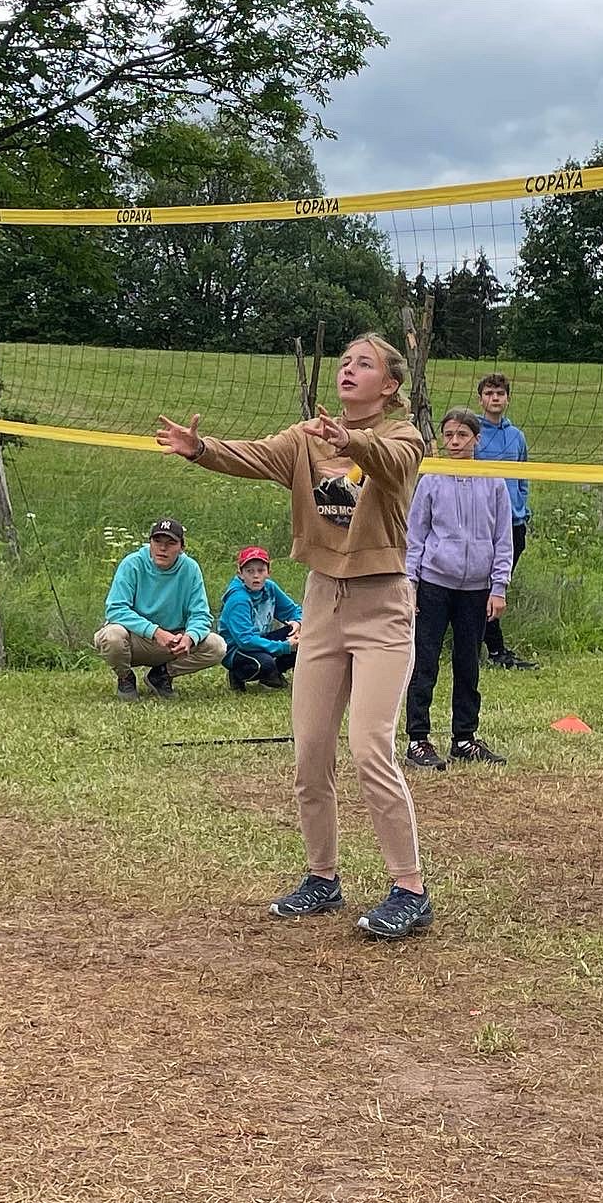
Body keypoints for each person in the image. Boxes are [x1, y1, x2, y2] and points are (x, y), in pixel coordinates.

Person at [157, 335, 431, 941]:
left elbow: (391, 465)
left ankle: (410, 889)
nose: (348, 369)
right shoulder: (306, 439)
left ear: (389, 384)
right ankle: (322, 878)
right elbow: (253, 455)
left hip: (383, 605)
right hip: (322, 603)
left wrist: (351, 441)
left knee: (370, 748)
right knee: (310, 751)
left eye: (364, 364)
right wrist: (200, 448)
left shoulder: (404, 435)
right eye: (345, 362)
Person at [403, 407, 512, 771]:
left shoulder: (493, 481)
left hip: (476, 589)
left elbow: (503, 539)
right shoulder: (432, 478)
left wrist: (498, 586)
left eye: (462, 435)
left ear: (476, 439)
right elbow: (416, 535)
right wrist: (411, 583)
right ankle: (418, 739)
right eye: (448, 435)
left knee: (468, 664)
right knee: (425, 662)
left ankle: (464, 738)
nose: (454, 442)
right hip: (434, 584)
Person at [93, 517, 225, 701]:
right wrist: (155, 632)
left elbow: (201, 614)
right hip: (135, 638)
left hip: (173, 641)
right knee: (111, 636)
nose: (163, 548)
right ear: (150, 543)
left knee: (217, 646)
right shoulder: (132, 563)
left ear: (181, 547)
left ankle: (161, 675)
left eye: (171, 543)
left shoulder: (191, 569)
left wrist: (189, 637)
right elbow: (116, 609)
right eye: (157, 541)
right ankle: (125, 677)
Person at [476, 371, 536, 670]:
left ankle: (490, 647)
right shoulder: (473, 433)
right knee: (483, 585)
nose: (495, 398)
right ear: (481, 399)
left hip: (513, 523)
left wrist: (521, 507)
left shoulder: (516, 436)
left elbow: (522, 476)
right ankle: (493, 649)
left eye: (500, 393)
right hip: (482, 522)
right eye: (489, 393)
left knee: (497, 585)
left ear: (508, 399)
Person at [218, 546, 301, 692]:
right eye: (250, 571)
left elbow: (294, 610)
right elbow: (245, 641)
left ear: (268, 572)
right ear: (240, 574)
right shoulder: (238, 600)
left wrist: (297, 622)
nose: (256, 576)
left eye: (261, 570)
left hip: (260, 638)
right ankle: (237, 675)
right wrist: (285, 646)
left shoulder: (270, 588)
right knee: (264, 664)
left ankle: (272, 675)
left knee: (303, 637)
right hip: (236, 649)